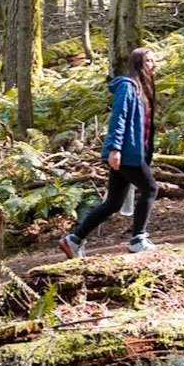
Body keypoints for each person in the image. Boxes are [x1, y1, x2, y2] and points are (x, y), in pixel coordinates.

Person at [61, 47, 159, 257]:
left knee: (114, 202)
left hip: (134, 152)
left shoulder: (143, 89)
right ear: (139, 64)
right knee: (150, 188)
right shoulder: (128, 87)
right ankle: (138, 238)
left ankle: (74, 239)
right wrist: (115, 149)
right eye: (149, 61)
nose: (154, 64)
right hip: (126, 152)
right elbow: (119, 118)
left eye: (154, 61)